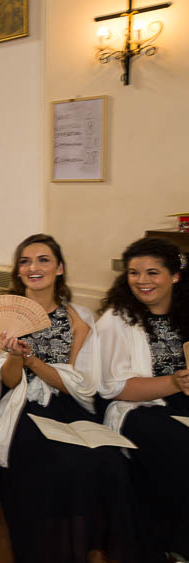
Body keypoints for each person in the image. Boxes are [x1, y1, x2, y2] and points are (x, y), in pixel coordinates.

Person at [0, 234, 140, 562]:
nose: (34, 267)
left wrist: (62, 345)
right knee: (50, 461)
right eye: (25, 261)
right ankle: (47, 549)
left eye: (43, 260)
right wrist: (16, 355)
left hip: (72, 402)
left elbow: (79, 382)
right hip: (21, 406)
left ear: (59, 268)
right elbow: (4, 382)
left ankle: (93, 546)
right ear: (18, 271)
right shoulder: (1, 320)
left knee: (109, 460)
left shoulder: (80, 318)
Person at [98, 237, 189, 559]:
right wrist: (176, 382)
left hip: (181, 401)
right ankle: (176, 545)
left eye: (152, 272)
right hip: (138, 407)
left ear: (175, 275)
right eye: (134, 273)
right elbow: (114, 388)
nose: (142, 281)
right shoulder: (117, 320)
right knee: (181, 445)